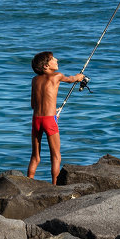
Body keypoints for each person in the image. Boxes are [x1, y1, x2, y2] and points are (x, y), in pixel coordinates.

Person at [28, 51, 86, 184]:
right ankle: (54, 186)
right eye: (53, 59)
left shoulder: (35, 80)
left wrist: (53, 111)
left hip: (36, 119)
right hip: (49, 120)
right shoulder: (57, 76)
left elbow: (33, 104)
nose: (56, 59)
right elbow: (72, 79)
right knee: (56, 156)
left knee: (35, 157)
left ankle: (28, 182)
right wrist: (79, 77)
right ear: (46, 66)